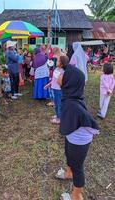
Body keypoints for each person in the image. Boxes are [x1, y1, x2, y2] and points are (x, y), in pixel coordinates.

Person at [56, 56, 99, 200]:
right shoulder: (71, 95)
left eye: (64, 74)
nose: (60, 75)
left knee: (77, 166)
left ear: (69, 82)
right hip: (72, 134)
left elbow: (88, 121)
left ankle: (77, 195)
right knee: (68, 154)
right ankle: (68, 173)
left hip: (79, 139)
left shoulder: (72, 104)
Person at [44, 56, 68, 124]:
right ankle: (58, 115)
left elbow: (60, 82)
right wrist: (49, 84)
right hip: (54, 89)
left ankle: (59, 118)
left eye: (58, 61)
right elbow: (54, 79)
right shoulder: (57, 69)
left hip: (59, 90)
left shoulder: (62, 71)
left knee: (59, 104)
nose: (56, 62)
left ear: (62, 63)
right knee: (56, 103)